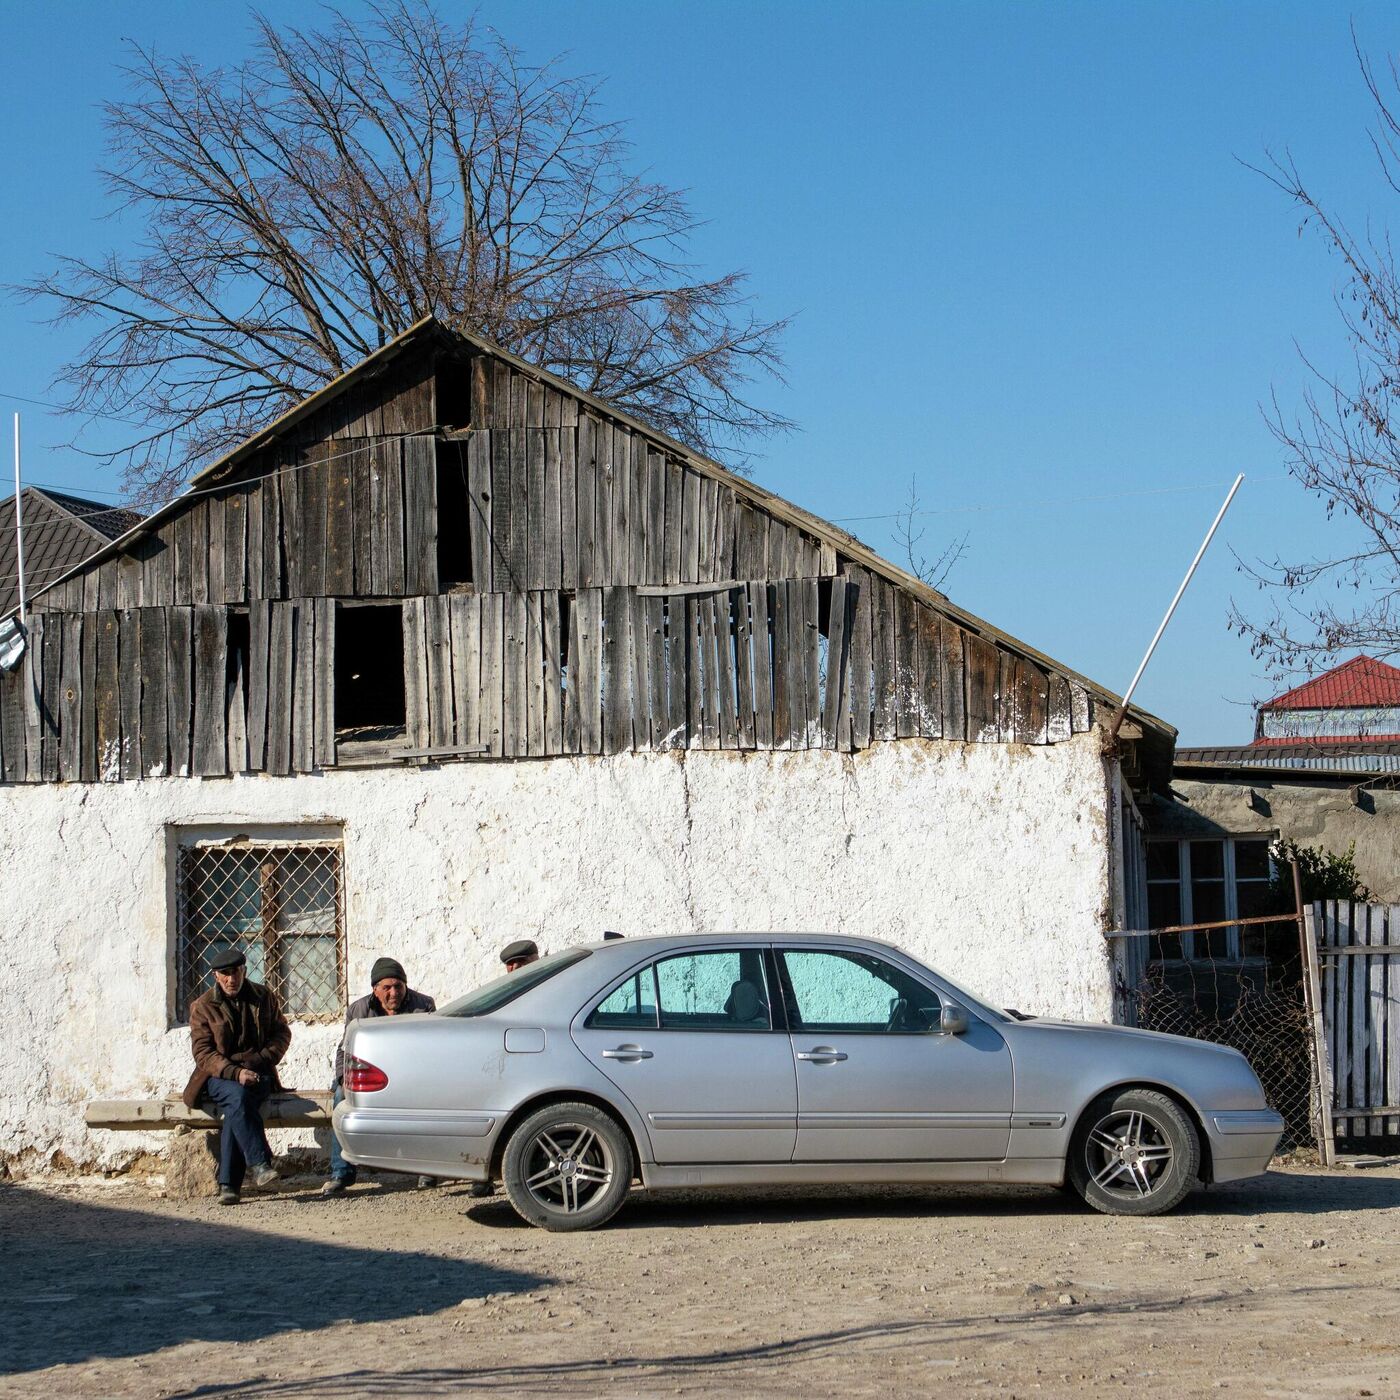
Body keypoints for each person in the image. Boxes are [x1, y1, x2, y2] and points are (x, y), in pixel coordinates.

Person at [182, 948, 291, 1207]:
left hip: (258, 1071)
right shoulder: (203, 1006)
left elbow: (282, 1034)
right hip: (219, 1075)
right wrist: (235, 1072)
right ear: (216, 976)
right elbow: (203, 1053)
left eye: (237, 972)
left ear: (244, 970)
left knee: (237, 1106)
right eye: (226, 974)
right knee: (238, 1096)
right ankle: (259, 1163)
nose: (232, 979)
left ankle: (229, 1185)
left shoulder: (263, 997)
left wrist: (260, 1059)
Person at [322, 957, 437, 1197]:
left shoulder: (423, 1006)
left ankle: (427, 1168)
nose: (394, 993)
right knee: (341, 1098)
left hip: (408, 1076)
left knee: (429, 1099)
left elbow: (429, 1050)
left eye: (399, 986)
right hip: (369, 1077)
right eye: (387, 987)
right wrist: (344, 1078)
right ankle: (341, 1174)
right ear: (375, 989)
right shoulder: (358, 1010)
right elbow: (345, 1049)